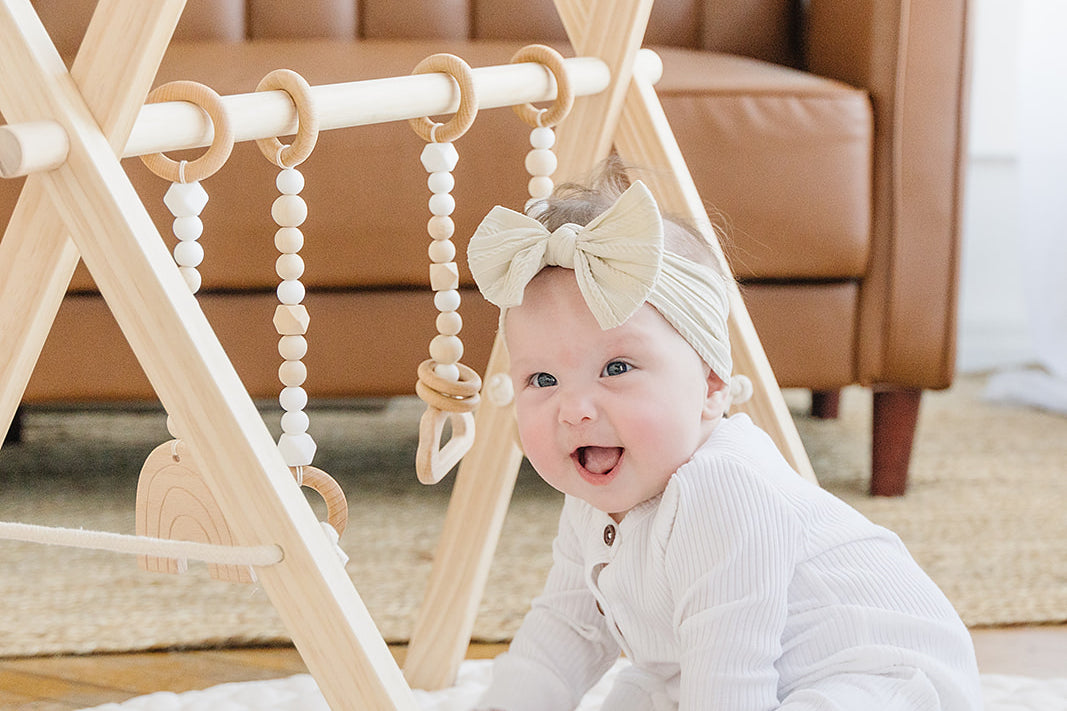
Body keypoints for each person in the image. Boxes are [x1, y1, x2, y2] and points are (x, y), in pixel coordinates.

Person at [464, 164, 983, 710]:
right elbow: (564, 635)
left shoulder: (724, 490)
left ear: (711, 385)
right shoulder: (593, 503)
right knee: (639, 695)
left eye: (616, 368)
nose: (573, 410)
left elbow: (731, 683)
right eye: (542, 380)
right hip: (713, 671)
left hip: (880, 677)